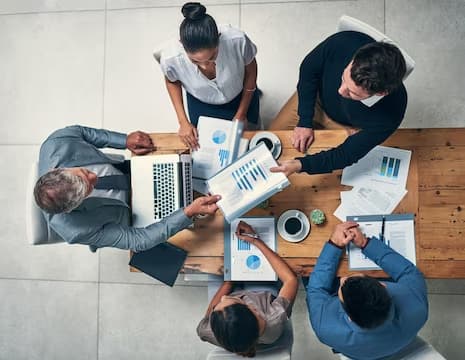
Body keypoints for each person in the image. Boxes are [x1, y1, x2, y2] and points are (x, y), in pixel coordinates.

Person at [34, 125, 220, 252]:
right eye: (89, 188)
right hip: (132, 214)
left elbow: (85, 133)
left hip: (129, 171)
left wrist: (124, 141)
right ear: (72, 209)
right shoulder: (75, 231)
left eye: (84, 173)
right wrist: (187, 213)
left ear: (58, 169)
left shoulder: (56, 143)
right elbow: (139, 240)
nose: (94, 177)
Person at [269, 31, 407, 177]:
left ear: (381, 93)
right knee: (270, 137)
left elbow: (345, 155)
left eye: (353, 93)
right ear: (354, 59)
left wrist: (300, 165)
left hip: (348, 125)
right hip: (315, 99)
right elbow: (308, 71)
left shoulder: (392, 113)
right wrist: (304, 120)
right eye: (343, 79)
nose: (340, 91)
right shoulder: (344, 41)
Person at [307, 222, 428, 359]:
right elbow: (409, 273)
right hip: (395, 343)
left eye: (341, 287)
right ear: (383, 286)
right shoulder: (418, 307)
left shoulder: (324, 327)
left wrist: (334, 245)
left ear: (350, 317)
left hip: (358, 351)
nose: (342, 279)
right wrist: (365, 243)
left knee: (308, 279)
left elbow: (316, 289)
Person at [159, 2, 259, 150]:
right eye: (195, 61)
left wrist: (242, 113)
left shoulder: (237, 40)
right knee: (207, 147)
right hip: (202, 102)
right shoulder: (171, 58)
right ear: (182, 45)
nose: (205, 65)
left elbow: (251, 72)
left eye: (212, 57)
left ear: (219, 39)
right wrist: (183, 122)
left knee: (250, 138)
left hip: (240, 95)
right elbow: (171, 81)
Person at [197, 221, 298, 357]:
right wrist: (256, 241)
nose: (223, 297)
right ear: (253, 308)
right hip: (261, 294)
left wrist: (228, 283)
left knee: (213, 258)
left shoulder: (208, 331)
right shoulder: (275, 317)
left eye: (218, 307)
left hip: (232, 288)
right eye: (229, 300)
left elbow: (208, 316)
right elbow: (290, 280)